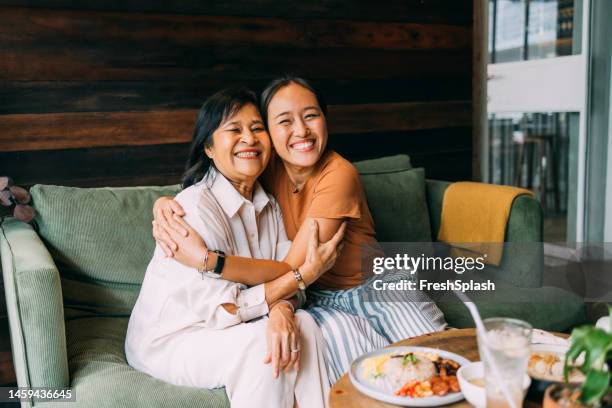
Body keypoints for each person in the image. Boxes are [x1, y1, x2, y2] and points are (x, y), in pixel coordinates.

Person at [152, 77, 447, 383]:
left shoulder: (339, 174)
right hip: (316, 298)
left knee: (437, 362)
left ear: (324, 119)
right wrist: (165, 202)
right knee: (372, 379)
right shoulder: (265, 168)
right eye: (284, 121)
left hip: (373, 288)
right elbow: (215, 181)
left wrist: (210, 260)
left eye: (311, 115)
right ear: (269, 132)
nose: (301, 131)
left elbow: (292, 268)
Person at [126, 87, 343, 408]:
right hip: (174, 339)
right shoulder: (192, 210)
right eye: (234, 130)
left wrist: (282, 308)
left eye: (257, 128)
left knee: (306, 325)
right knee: (262, 345)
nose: (250, 138)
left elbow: (283, 276)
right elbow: (225, 309)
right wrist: (302, 277)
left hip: (233, 325)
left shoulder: (268, 204)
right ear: (210, 148)